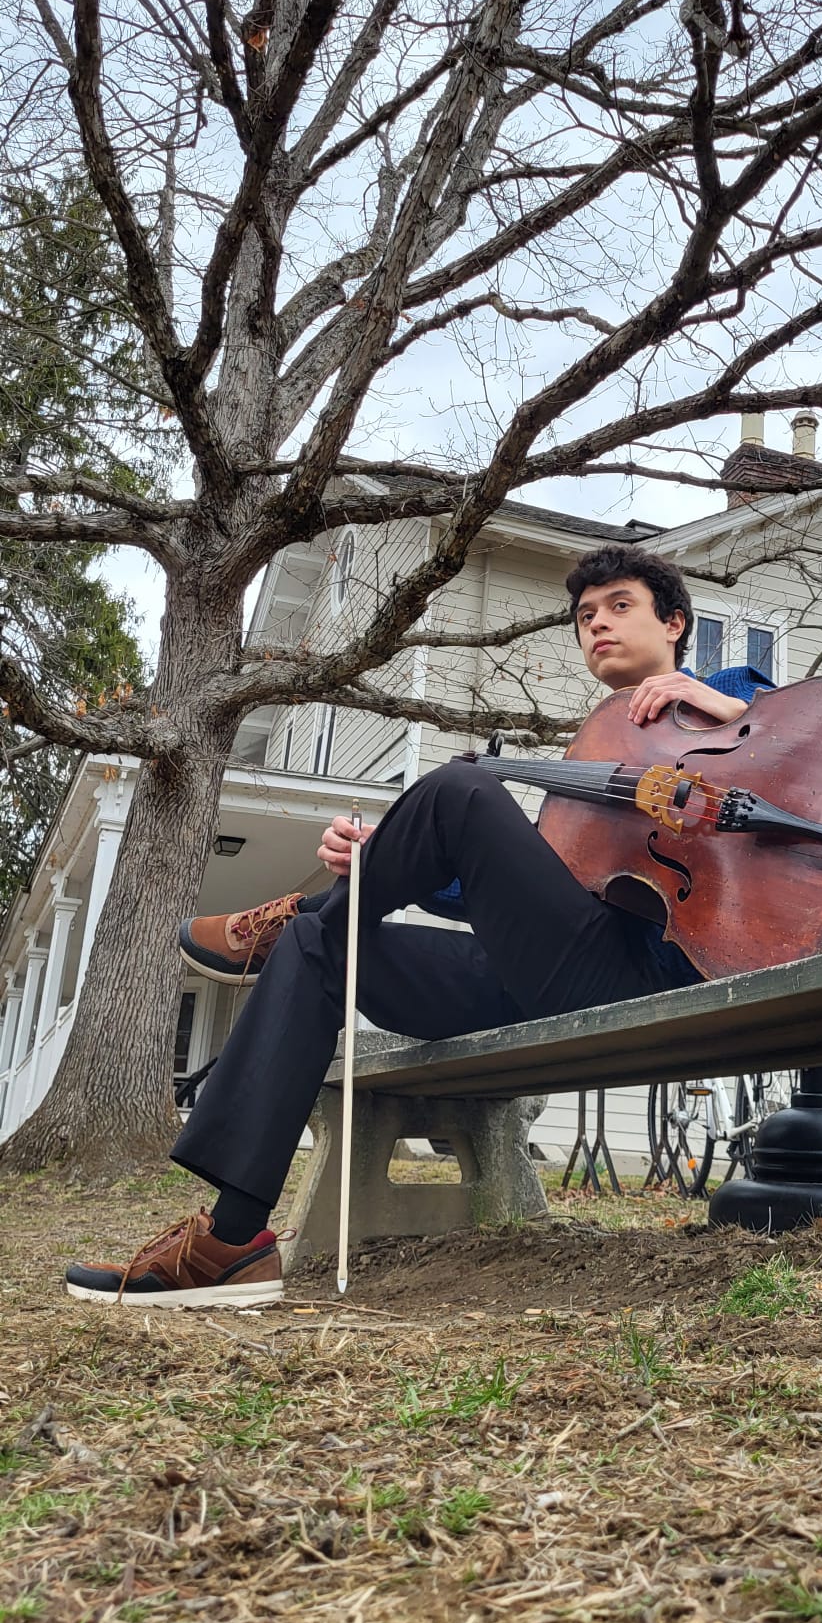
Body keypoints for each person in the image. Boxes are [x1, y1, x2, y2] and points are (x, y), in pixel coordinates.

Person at [64, 546, 773, 1308]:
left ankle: (300, 910)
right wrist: (386, 856)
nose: (596, 623)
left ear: (675, 623)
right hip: (542, 973)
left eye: (619, 605)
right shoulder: (594, 751)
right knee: (321, 944)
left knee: (459, 790)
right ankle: (230, 1244)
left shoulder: (738, 698)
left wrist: (726, 706)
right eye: (583, 616)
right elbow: (508, 900)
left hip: (645, 968)